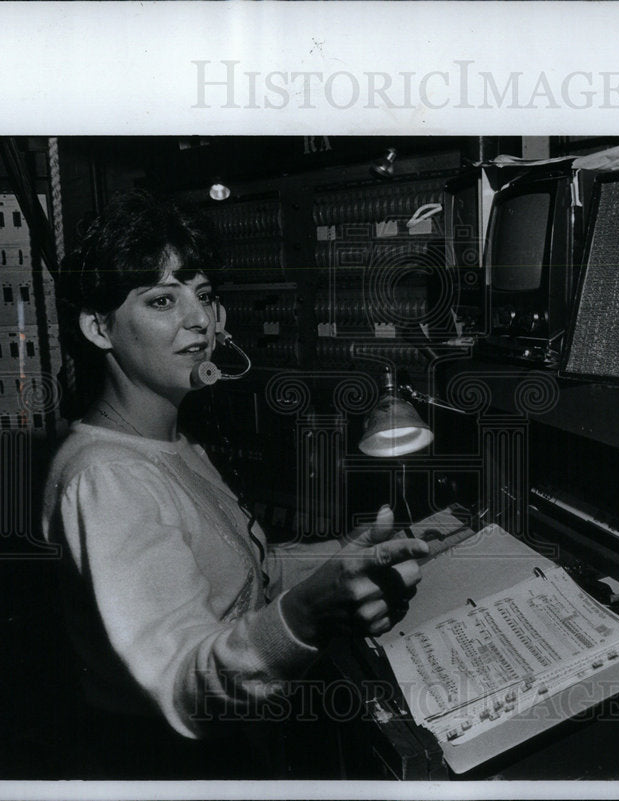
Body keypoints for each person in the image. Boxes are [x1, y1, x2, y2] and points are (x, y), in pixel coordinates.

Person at [43, 189, 428, 777]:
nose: (198, 319)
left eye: (203, 295)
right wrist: (303, 619)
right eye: (161, 300)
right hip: (167, 768)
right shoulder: (107, 480)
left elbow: (249, 575)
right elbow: (180, 683)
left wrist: (344, 557)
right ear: (99, 328)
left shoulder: (172, 442)